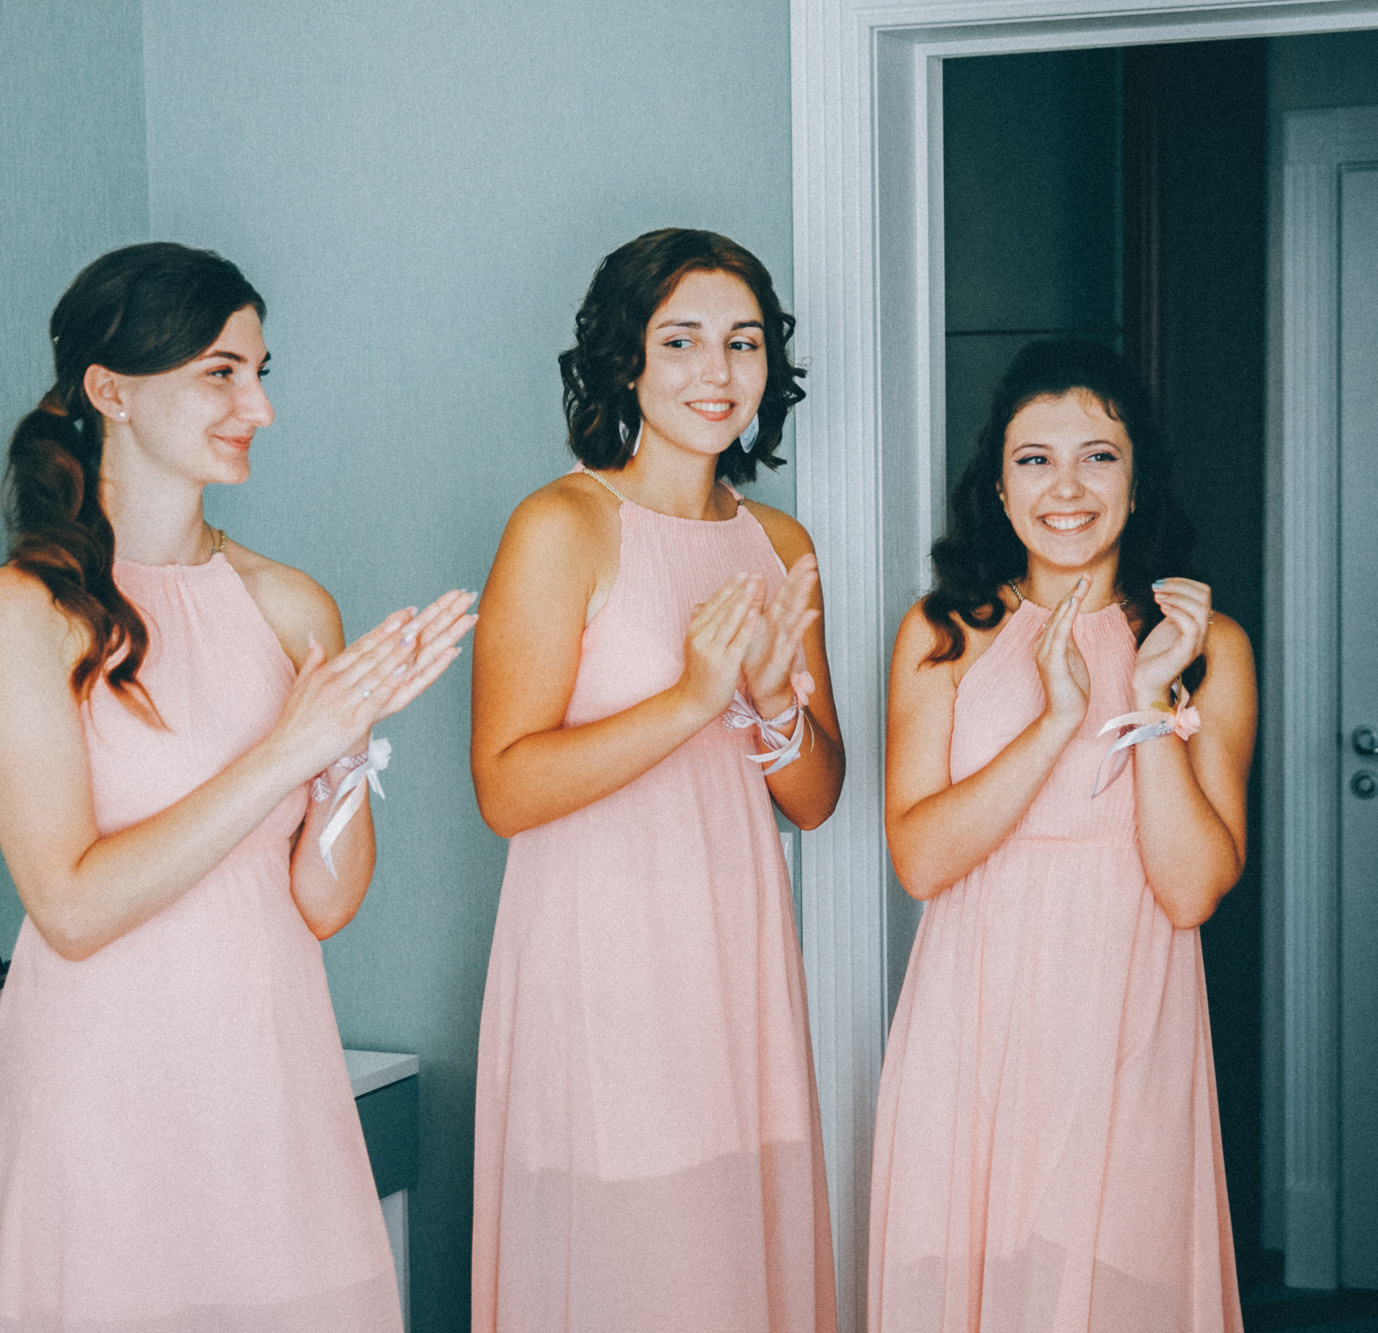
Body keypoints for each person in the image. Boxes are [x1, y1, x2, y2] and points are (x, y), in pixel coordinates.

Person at [0, 242, 475, 1330]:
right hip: (102, 1080)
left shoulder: (290, 604)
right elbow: (68, 908)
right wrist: (283, 750)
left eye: (260, 371)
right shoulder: (29, 613)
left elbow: (320, 902)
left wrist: (346, 746)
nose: (255, 405)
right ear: (110, 391)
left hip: (269, 1065)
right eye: (221, 371)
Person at [469, 228, 843, 1331]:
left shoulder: (778, 540)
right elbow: (505, 786)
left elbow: (814, 799)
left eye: (741, 342)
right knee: (635, 1267)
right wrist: (689, 698)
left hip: (735, 951)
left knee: (731, 1262)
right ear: (626, 360)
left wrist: (775, 705)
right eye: (679, 340)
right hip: (601, 960)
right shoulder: (561, 525)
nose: (715, 373)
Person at [868, 340, 1255, 1332]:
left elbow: (1189, 889)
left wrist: (1144, 693)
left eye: (1098, 455)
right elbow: (921, 857)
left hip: (1127, 1026)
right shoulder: (942, 633)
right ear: (996, 488)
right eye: (1033, 458)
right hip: (973, 1026)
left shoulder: (1209, 648)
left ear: (1137, 483)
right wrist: (1049, 723)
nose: (1065, 486)